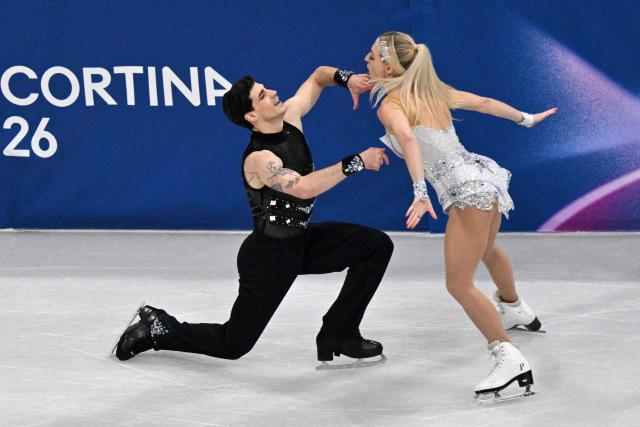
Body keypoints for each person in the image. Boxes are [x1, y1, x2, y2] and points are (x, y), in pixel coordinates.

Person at [113, 66, 393, 368]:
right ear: (252, 116)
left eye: (267, 87)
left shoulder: (291, 118)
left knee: (375, 245)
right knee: (233, 344)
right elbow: (302, 188)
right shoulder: (260, 159)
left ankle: (340, 333)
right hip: (269, 257)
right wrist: (357, 162)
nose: (273, 92)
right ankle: (159, 328)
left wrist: (346, 78)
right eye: (262, 94)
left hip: (303, 242)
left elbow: (317, 77)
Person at [359, 31, 556, 401]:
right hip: (485, 181)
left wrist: (419, 191)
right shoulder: (431, 92)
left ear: (388, 65)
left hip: (466, 194)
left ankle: (507, 357)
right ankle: (515, 309)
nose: (365, 59)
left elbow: (411, 139)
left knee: (458, 283)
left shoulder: (390, 102)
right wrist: (526, 118)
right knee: (486, 250)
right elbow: (482, 102)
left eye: (371, 55)